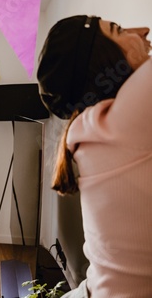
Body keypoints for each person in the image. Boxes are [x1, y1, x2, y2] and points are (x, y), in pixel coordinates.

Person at [37, 15, 152, 297]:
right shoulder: (128, 118)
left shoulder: (91, 129)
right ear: (101, 60)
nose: (143, 30)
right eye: (119, 30)